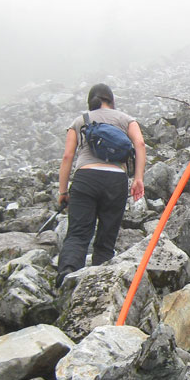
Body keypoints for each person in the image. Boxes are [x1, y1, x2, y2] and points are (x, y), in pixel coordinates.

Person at [55, 83, 146, 287]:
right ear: (111, 100)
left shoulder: (80, 121)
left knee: (78, 233)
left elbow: (67, 156)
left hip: (86, 178)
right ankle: (99, 283)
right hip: (116, 180)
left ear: (91, 102)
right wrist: (138, 177)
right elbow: (139, 144)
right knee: (106, 236)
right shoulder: (126, 119)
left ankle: (67, 275)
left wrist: (63, 191)